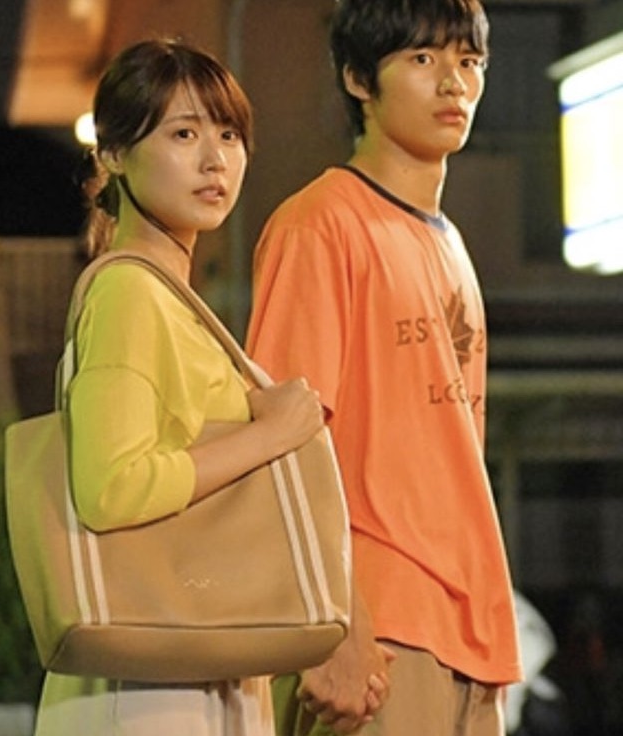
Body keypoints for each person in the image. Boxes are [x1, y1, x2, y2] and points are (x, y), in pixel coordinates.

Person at [32, 38, 326, 736]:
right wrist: (270, 434)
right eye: (184, 134)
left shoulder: (169, 299)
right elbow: (113, 487)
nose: (215, 159)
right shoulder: (131, 293)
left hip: (185, 659)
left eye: (229, 135)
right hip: (150, 687)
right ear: (112, 154)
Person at [245, 1, 523, 734]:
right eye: (423, 59)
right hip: (378, 633)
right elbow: (280, 447)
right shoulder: (320, 224)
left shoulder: (450, 242)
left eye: (469, 62)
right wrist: (336, 622)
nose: (453, 83)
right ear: (358, 78)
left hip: (471, 632)